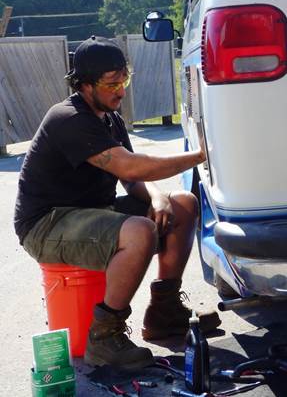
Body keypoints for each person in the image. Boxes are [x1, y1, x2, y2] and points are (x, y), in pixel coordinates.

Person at [14, 36, 220, 371]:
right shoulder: (68, 118)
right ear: (83, 84)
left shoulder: (110, 118)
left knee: (182, 203)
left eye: (124, 80)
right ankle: (105, 338)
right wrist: (200, 155)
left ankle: (164, 312)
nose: (121, 91)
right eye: (112, 84)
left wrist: (157, 197)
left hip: (93, 214)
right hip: (46, 223)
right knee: (139, 231)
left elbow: (133, 177)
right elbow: (129, 166)